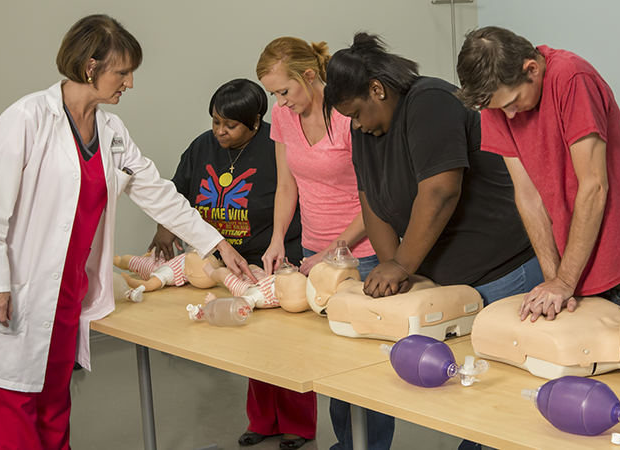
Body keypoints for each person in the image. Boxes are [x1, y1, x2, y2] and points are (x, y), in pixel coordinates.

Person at [0, 14, 253, 450]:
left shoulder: (111, 131)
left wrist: (216, 243)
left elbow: (158, 193)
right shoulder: (27, 118)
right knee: (14, 396)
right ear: (90, 66)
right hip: (21, 286)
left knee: (56, 395)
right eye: (123, 72)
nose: (129, 83)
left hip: (68, 290)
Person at [323, 31, 543, 450]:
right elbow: (372, 201)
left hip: (499, 273)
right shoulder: (365, 131)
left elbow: (441, 190)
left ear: (377, 89)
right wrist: (395, 275)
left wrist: (403, 267)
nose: (356, 124)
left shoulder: (430, 101)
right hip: (443, 280)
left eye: (356, 113)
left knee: (492, 396)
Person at [455, 26, 620, 323]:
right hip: (572, 277)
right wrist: (554, 278)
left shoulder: (572, 78)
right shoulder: (497, 105)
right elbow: (527, 195)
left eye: (512, 103)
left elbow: (594, 186)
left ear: (531, 69)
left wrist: (564, 280)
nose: (509, 115)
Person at [251, 37, 379, 450]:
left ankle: (366, 446)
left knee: (362, 367)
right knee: (329, 362)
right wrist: (276, 241)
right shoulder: (283, 115)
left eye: (285, 92)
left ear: (309, 75)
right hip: (313, 253)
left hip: (363, 254)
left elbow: (376, 199)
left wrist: (334, 251)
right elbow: (286, 185)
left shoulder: (345, 114)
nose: (282, 103)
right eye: (275, 95)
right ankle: (347, 444)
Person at [148, 79, 303, 267]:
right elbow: (177, 191)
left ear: (254, 122)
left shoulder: (276, 147)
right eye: (215, 122)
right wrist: (166, 226)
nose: (220, 131)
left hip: (264, 260)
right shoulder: (201, 146)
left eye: (230, 126)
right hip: (212, 258)